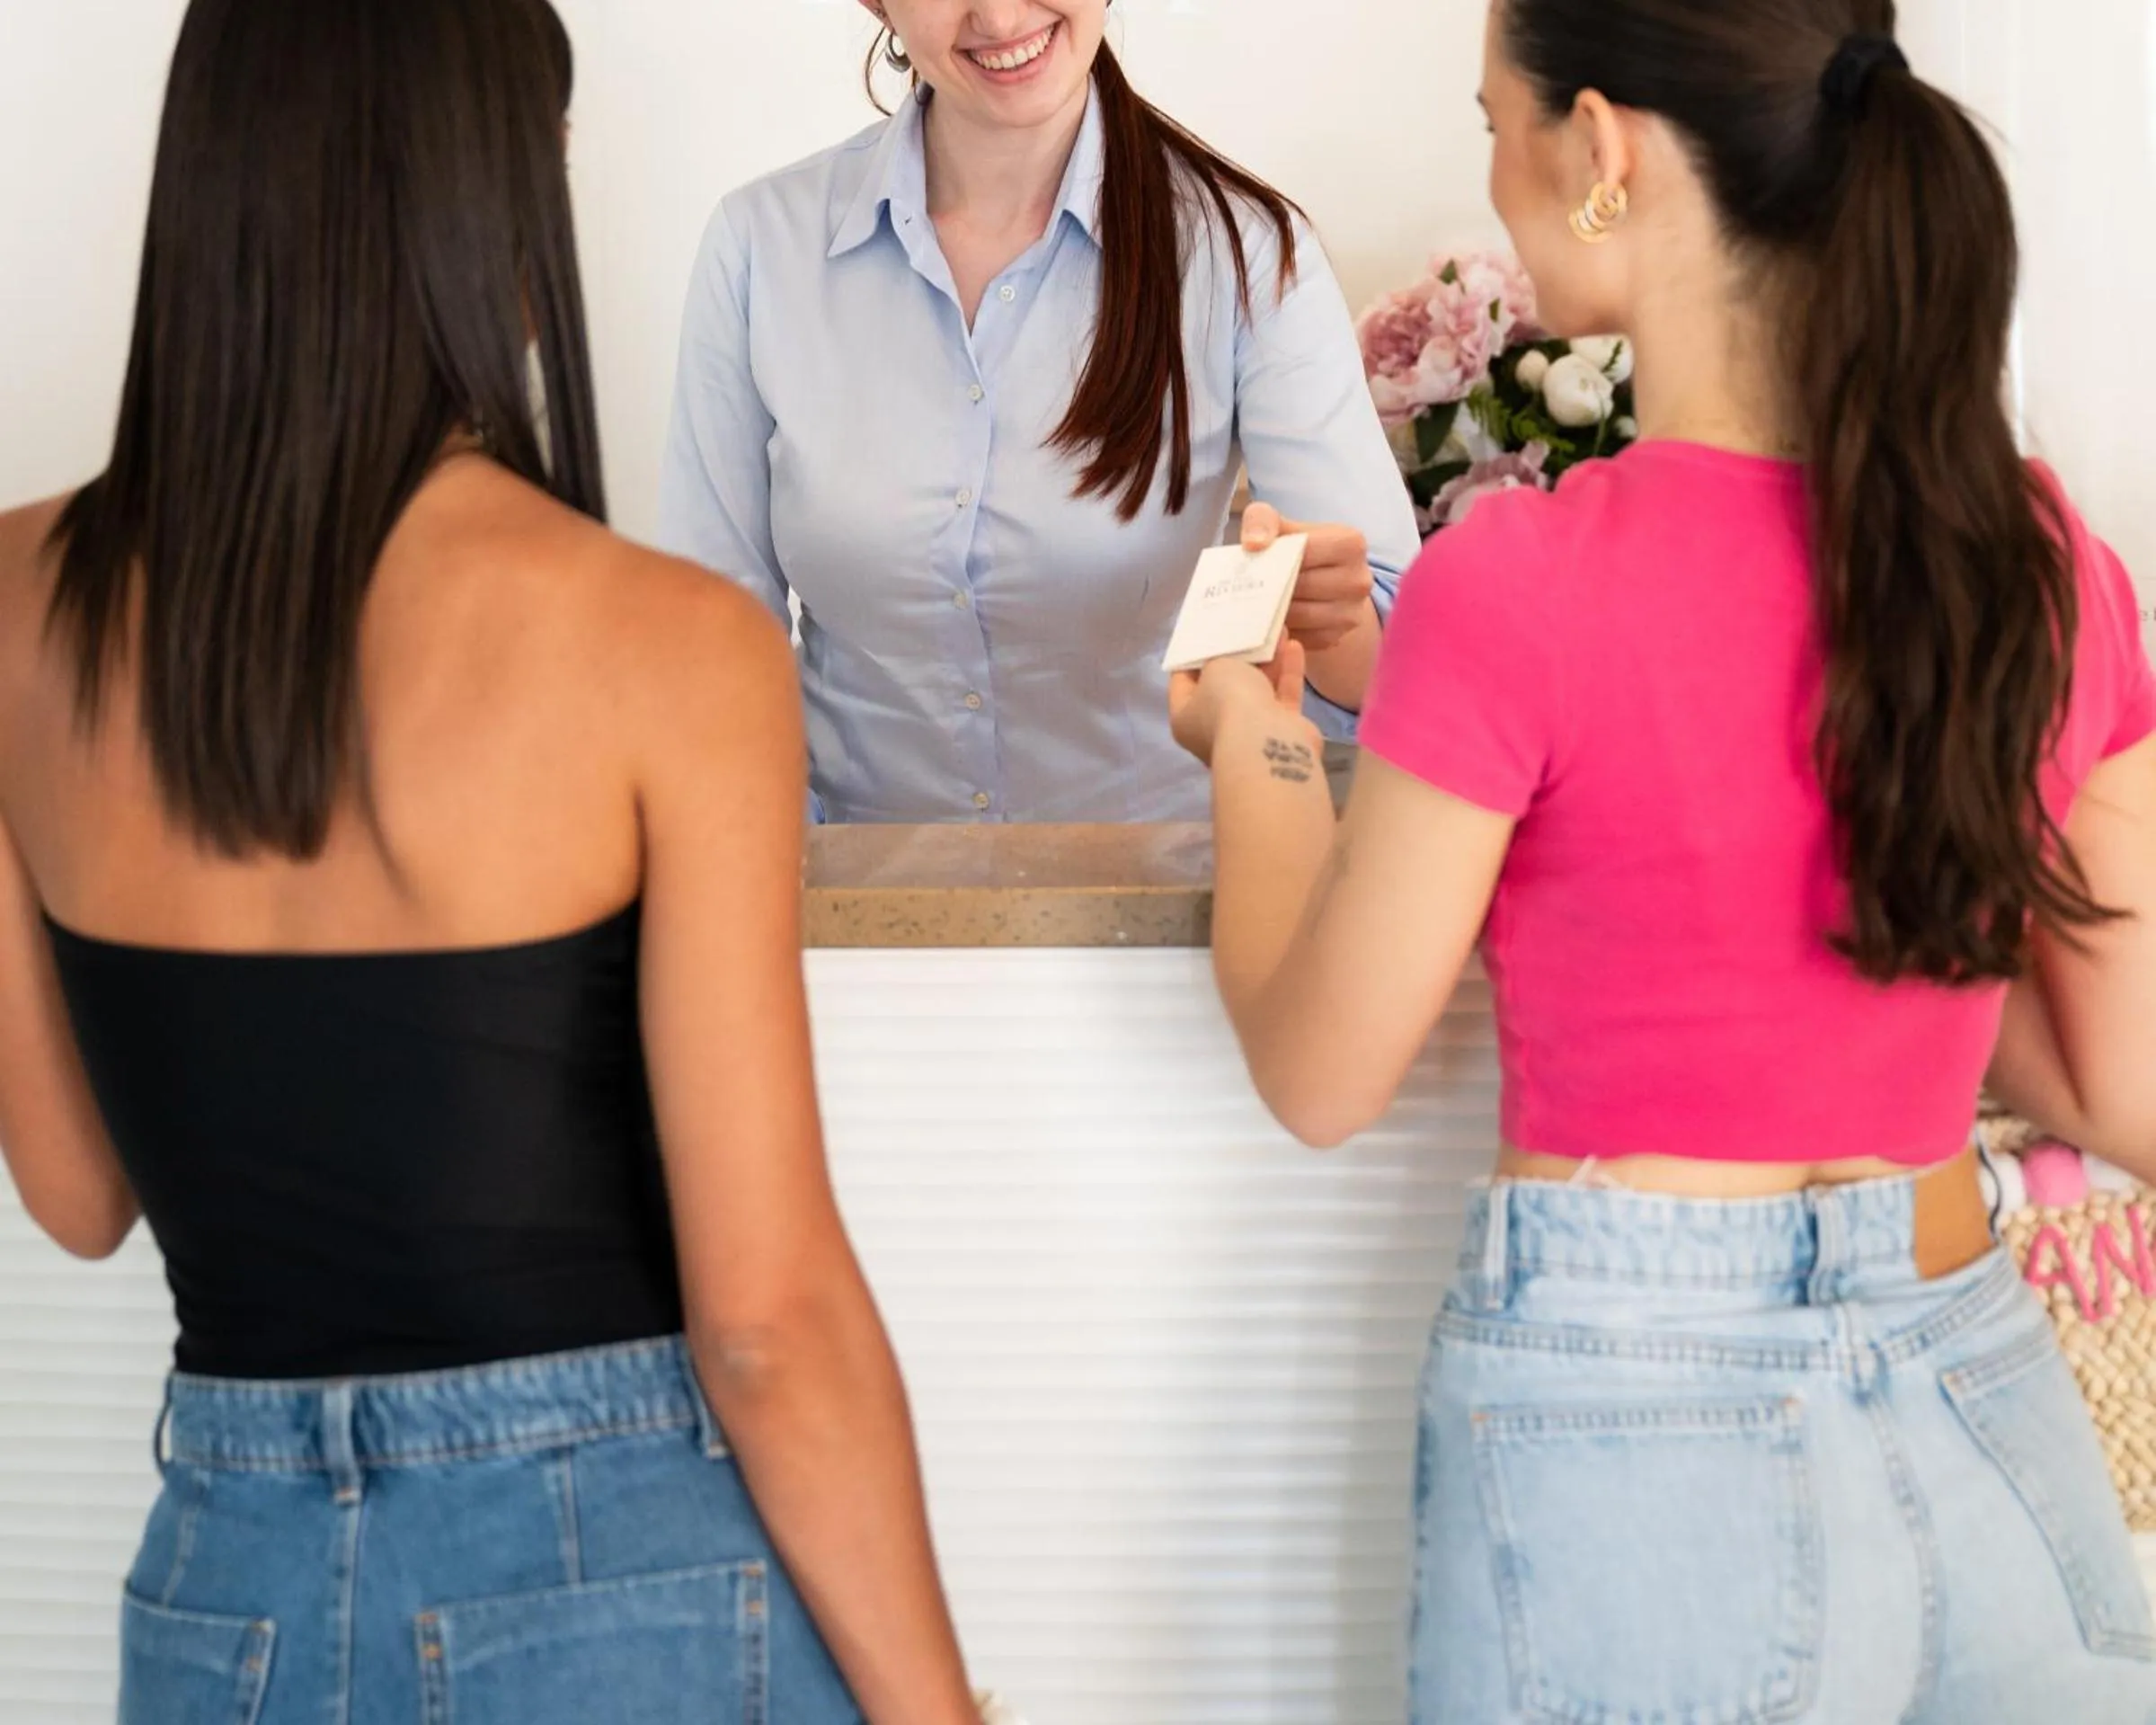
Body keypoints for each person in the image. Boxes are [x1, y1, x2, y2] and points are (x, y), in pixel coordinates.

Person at [1172, 3, 2156, 1720]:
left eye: (1494, 121)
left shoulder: (1519, 582)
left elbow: (1321, 1070)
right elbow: (2119, 1079)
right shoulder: (2045, 566)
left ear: (1603, 152)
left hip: (1636, 1424)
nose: (1488, 172)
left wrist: (1254, 739)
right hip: (1973, 1386)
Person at [0, 4, 979, 1721]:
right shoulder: (666, 647)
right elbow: (763, 1318)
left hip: (228, 1591)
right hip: (606, 1576)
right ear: (486, 200)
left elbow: (79, 1192)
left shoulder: (18, 609)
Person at [659, 0, 1419, 825]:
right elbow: (709, 646)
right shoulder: (760, 247)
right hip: (847, 904)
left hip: (1155, 904)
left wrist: (1328, 618)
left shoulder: (1246, 252)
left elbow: (1397, 675)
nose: (998, 13)